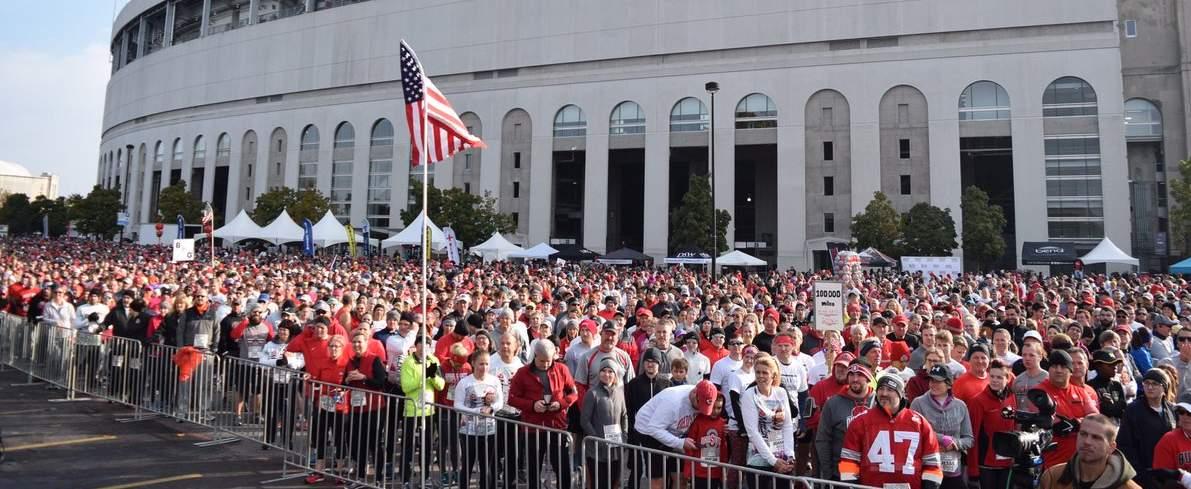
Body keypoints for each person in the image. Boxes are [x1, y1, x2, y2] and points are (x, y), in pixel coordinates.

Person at [839, 373, 944, 489]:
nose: (884, 393)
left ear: (900, 394)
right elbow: (848, 462)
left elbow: (932, 464)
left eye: (890, 389)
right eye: (881, 389)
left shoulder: (920, 423)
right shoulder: (860, 422)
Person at [507, 339, 579, 489]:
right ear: (535, 356)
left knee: (563, 468)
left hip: (557, 426)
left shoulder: (561, 369)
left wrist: (561, 404)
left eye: (549, 360)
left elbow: (573, 393)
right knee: (533, 469)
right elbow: (512, 399)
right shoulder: (522, 372)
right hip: (533, 428)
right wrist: (532, 405)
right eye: (542, 361)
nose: (546, 364)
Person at [634, 380, 719, 489]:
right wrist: (680, 443)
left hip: (676, 432)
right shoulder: (673, 401)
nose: (700, 409)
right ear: (694, 393)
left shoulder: (705, 394)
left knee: (681, 477)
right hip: (649, 432)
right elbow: (654, 428)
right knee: (659, 480)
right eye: (699, 404)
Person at [909, 365, 974, 489]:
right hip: (927, 470)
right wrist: (941, 439)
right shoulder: (918, 403)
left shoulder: (960, 406)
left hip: (953, 470)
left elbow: (969, 439)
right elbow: (914, 434)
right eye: (931, 380)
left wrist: (955, 443)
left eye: (938, 381)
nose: (933, 384)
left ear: (949, 384)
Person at [1038, 414, 1141, 489]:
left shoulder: (1129, 487)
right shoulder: (1052, 477)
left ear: (1111, 447)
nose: (1087, 442)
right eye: (1083, 434)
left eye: (1096, 438)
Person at [1037, 349, 1101, 470]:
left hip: (1080, 459)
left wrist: (1076, 423)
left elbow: (1095, 417)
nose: (1058, 370)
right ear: (1048, 369)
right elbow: (1044, 420)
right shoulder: (1039, 391)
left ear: (1070, 371)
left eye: (1063, 366)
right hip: (1052, 461)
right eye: (1054, 366)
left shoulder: (1080, 392)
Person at [739, 354, 796, 489]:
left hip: (781, 457)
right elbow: (752, 432)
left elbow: (787, 426)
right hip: (758, 458)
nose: (760, 376)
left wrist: (789, 455)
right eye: (757, 372)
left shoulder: (781, 392)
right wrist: (773, 461)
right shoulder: (749, 395)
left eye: (765, 372)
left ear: (773, 375)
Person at [398, 334, 445, 488]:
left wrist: (431, 377)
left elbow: (440, 385)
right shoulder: (408, 362)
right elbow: (406, 386)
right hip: (412, 412)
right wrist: (424, 377)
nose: (424, 348)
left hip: (428, 411)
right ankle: (405, 478)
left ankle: (425, 477)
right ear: (416, 345)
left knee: (426, 446)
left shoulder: (433, 361)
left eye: (427, 345)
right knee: (408, 446)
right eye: (421, 344)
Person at [815, 360, 874, 480]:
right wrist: (828, 473)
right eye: (851, 374)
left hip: (872, 472)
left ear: (868, 377)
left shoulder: (879, 402)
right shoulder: (833, 403)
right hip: (843, 472)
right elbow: (823, 439)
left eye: (860, 375)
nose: (855, 379)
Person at [303, 334, 351, 485]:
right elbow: (315, 378)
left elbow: (351, 385)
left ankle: (340, 471)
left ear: (343, 348)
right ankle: (319, 470)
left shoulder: (347, 364)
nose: (334, 349)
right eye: (332, 346)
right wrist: (308, 377)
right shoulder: (322, 362)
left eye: (337, 346)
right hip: (323, 404)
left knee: (339, 438)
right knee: (320, 437)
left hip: (340, 407)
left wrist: (344, 390)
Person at [454, 349, 504, 489]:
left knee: (486, 467)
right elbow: (457, 405)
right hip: (468, 431)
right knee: (467, 466)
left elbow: (500, 402)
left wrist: (492, 408)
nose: (484, 367)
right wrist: (476, 411)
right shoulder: (464, 382)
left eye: (487, 364)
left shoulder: (494, 380)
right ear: (473, 363)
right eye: (481, 364)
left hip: (489, 431)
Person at [1118, 369, 1175, 488]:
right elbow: (1125, 444)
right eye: (1146, 383)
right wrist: (1140, 474)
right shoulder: (1133, 410)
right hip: (1143, 472)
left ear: (1164, 387)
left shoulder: (1172, 410)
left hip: (1168, 473)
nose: (1150, 387)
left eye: (1155, 384)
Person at [966, 359, 1017, 489]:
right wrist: (973, 471)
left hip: (1007, 463)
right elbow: (972, 438)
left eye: (999, 377)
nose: (994, 380)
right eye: (992, 376)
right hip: (986, 465)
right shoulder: (978, 401)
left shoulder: (1012, 397)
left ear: (1008, 378)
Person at [343, 329, 385, 482]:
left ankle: (379, 477)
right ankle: (360, 477)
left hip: (374, 408)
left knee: (374, 443)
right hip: (356, 408)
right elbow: (343, 384)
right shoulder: (350, 361)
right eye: (354, 342)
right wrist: (346, 380)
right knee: (358, 442)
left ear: (366, 343)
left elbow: (381, 383)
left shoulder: (374, 359)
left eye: (359, 342)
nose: (356, 344)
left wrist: (364, 378)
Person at [581, 358, 628, 489]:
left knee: (614, 482)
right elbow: (584, 420)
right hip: (596, 450)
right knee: (599, 483)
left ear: (615, 374)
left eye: (610, 371)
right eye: (603, 371)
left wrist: (624, 435)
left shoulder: (619, 392)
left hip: (616, 448)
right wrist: (597, 438)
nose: (606, 374)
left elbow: (624, 415)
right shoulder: (592, 393)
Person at [259, 325, 303, 450]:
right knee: (271, 411)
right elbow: (262, 360)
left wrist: (289, 362)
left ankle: (286, 439)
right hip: (273, 381)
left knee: (289, 413)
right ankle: (268, 439)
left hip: (290, 382)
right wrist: (276, 362)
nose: (283, 332)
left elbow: (301, 362)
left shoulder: (295, 346)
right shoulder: (270, 345)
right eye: (281, 329)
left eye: (285, 330)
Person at [1088, 349, 1127, 422]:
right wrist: (1118, 405)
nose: (1114, 367)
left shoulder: (1116, 385)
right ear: (1098, 366)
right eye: (1110, 364)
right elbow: (1105, 411)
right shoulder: (1091, 386)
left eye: (1115, 364)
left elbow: (1124, 408)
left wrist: (1113, 407)